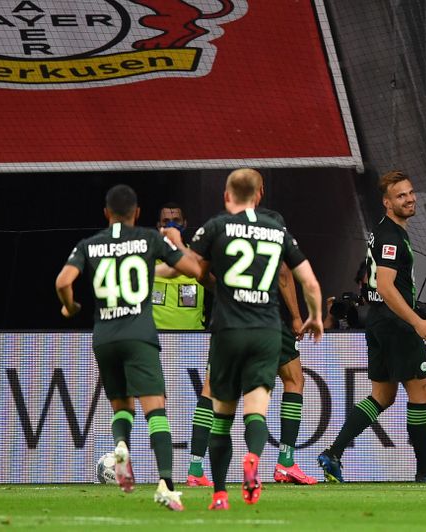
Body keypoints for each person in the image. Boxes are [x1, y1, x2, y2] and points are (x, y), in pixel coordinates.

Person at [176, 168, 323, 510]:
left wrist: (171, 249)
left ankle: (209, 480)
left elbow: (197, 270)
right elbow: (296, 278)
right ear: (260, 194)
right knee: (280, 388)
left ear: (228, 195)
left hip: (229, 326)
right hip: (269, 325)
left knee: (218, 399)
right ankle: (274, 459)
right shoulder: (275, 226)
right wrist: (306, 317)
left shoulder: (216, 226)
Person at [55, 184, 201, 512]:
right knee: (156, 410)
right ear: (137, 213)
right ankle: (165, 484)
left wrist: (70, 307)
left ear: (106, 214)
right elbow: (192, 269)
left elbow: (63, 281)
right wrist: (177, 245)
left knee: (122, 407)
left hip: (105, 338)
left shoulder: (89, 245)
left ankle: (121, 446)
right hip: (139, 335)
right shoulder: (148, 240)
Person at [317, 170, 426, 483]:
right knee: (420, 390)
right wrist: (416, 321)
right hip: (396, 323)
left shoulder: (383, 231)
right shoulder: (391, 236)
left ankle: (333, 453)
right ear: (387, 203)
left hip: (381, 323)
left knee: (382, 395)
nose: (409, 199)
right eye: (401, 196)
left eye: (410, 193)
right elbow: (384, 286)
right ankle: (425, 470)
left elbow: (368, 279)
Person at [152, 203, 206, 331]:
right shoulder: (147, 260)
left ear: (185, 224)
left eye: (176, 220)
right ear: (159, 226)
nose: (172, 225)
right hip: (155, 339)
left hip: (193, 339)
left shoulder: (197, 259)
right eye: (166, 221)